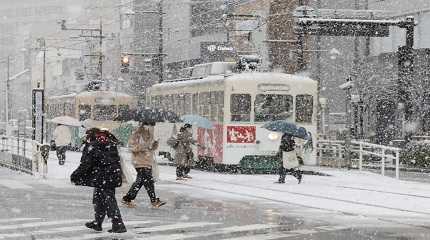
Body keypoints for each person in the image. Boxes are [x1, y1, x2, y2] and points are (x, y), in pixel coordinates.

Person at [70, 128, 126, 233]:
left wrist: (75, 175)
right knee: (99, 198)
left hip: (103, 176)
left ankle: (118, 224)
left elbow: (86, 163)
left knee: (109, 200)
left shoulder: (94, 145)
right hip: (111, 175)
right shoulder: (108, 142)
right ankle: (97, 223)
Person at [122, 121, 166, 208]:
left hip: (148, 161)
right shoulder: (136, 134)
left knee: (142, 181)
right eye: (148, 125)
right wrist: (144, 146)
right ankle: (154, 200)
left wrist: (155, 144)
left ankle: (128, 198)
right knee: (148, 181)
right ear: (143, 124)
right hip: (139, 161)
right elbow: (132, 147)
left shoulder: (149, 134)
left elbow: (152, 148)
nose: (150, 127)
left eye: (151, 125)